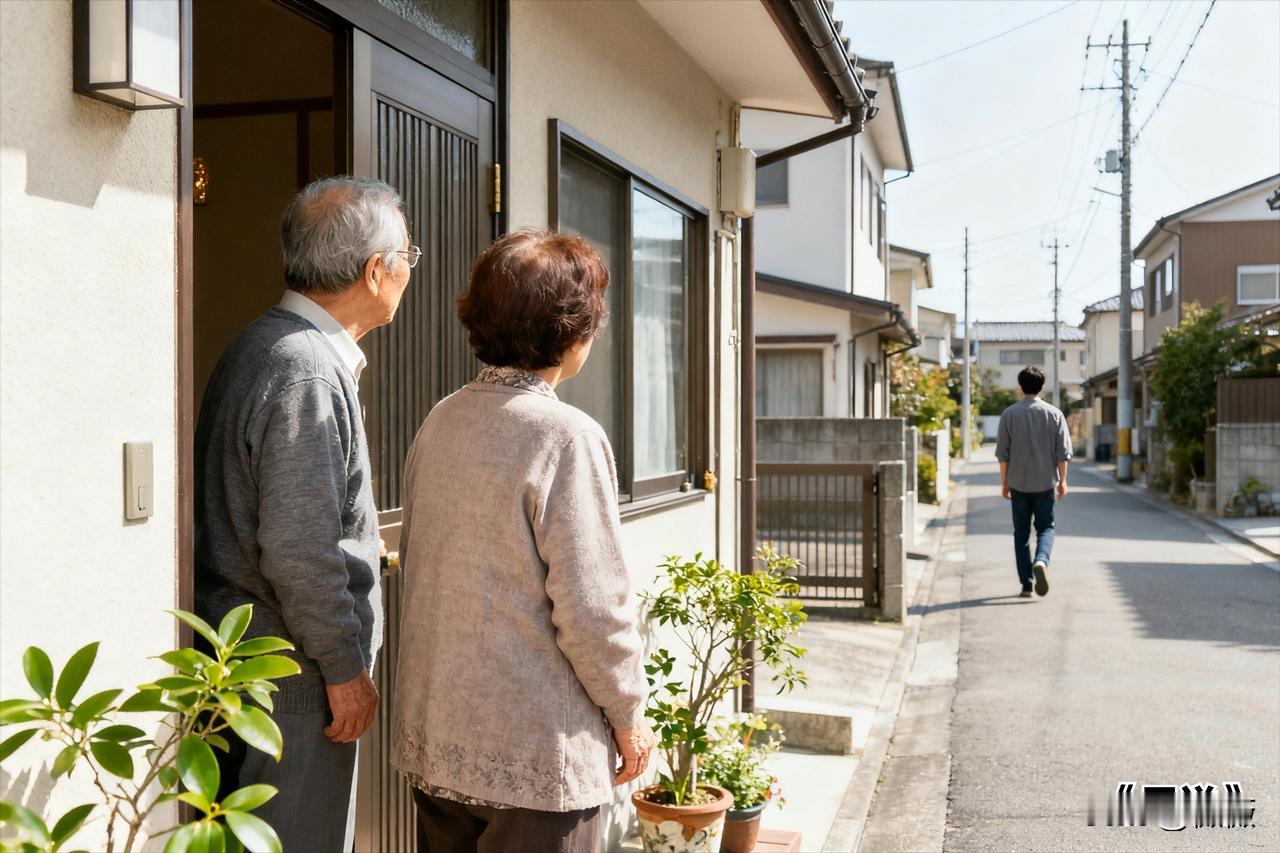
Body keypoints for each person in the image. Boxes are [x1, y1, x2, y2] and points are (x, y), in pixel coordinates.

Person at [392, 229, 655, 853]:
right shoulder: (566, 436)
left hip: (439, 738)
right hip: (536, 751)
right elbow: (593, 608)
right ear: (571, 330)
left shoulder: (443, 419)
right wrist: (629, 717)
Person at [195, 176, 417, 850]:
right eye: (409, 255)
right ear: (377, 270)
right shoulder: (307, 369)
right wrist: (344, 670)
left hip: (256, 661)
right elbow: (299, 547)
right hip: (291, 675)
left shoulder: (267, 344)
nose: (410, 269)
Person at [995, 365, 1073, 598]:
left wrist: (1004, 482)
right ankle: (1041, 561)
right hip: (1045, 482)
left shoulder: (1009, 414)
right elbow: (1063, 453)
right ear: (1042, 387)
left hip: (1018, 482)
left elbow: (1002, 454)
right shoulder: (1054, 414)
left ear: (1021, 387)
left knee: (1021, 533)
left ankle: (1027, 584)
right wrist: (1063, 480)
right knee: (1046, 527)